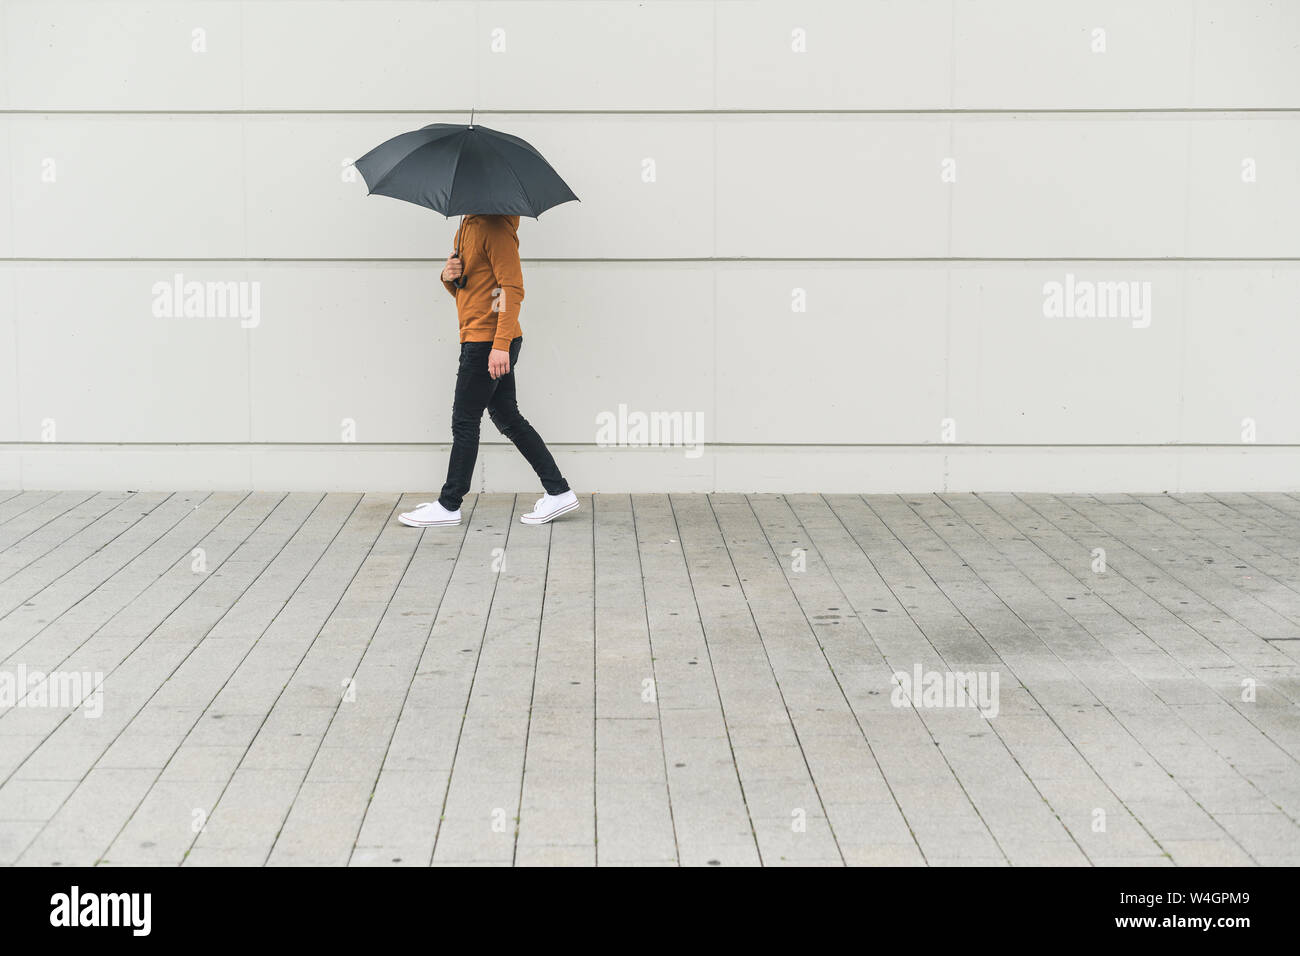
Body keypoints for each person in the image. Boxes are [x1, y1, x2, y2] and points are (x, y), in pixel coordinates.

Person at [399, 214, 578, 528]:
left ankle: (449, 504)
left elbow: (513, 288)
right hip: (480, 338)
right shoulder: (467, 227)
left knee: (465, 420)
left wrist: (501, 344)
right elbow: (472, 292)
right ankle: (558, 491)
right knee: (507, 416)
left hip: (489, 343)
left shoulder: (494, 228)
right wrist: (448, 277)